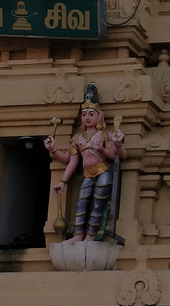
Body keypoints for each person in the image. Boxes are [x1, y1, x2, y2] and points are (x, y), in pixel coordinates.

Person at [44, 83, 126, 242]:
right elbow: (70, 160)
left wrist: (106, 148)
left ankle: (91, 236)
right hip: (88, 174)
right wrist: (53, 150)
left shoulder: (104, 135)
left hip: (103, 171)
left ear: (99, 116)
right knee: (81, 203)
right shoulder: (77, 138)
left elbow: (116, 155)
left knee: (97, 205)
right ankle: (78, 235)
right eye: (84, 114)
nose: (87, 117)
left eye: (91, 113)